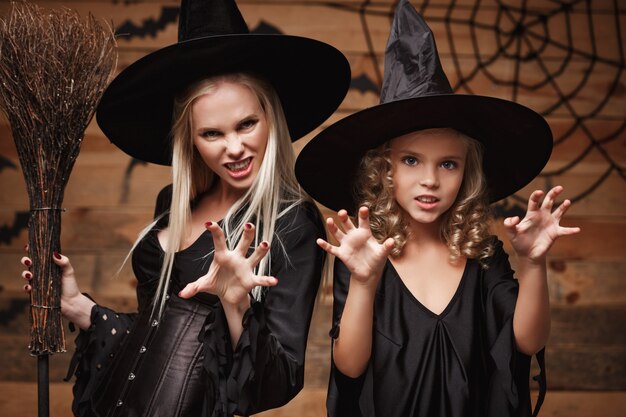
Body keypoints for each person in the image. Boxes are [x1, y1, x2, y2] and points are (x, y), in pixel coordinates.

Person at [20, 0, 350, 416]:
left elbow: (280, 380)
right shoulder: (171, 204)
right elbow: (150, 340)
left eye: (247, 124)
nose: (234, 147)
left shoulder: (291, 222)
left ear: (271, 118)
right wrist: (79, 307)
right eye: (212, 133)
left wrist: (237, 305)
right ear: (189, 139)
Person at [294, 1, 580, 416]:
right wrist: (363, 282)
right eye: (411, 160)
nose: (431, 179)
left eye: (448, 164)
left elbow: (526, 342)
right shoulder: (365, 258)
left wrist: (534, 264)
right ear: (384, 168)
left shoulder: (483, 256)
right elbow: (350, 366)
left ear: (467, 173)